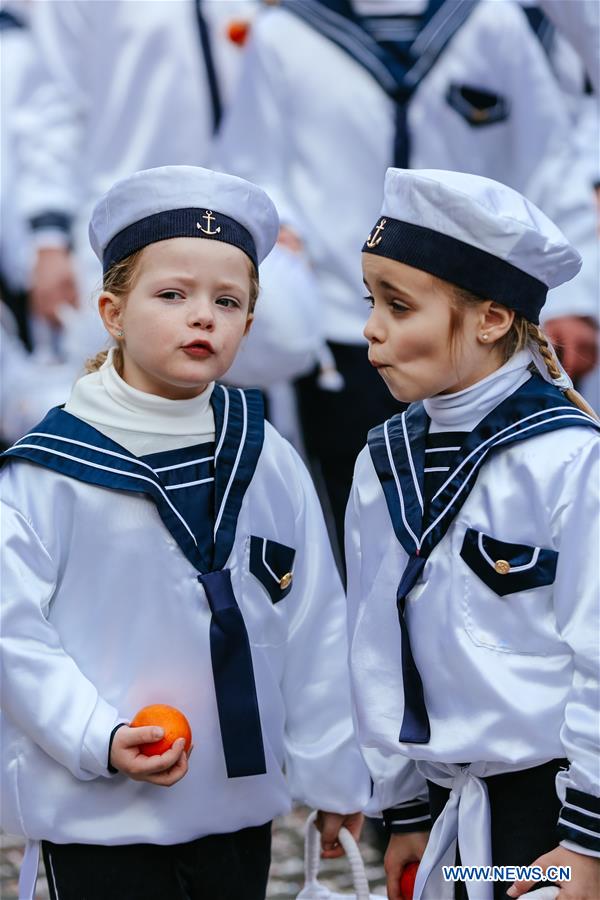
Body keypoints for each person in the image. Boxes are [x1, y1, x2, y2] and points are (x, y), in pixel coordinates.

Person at [0, 165, 369, 900]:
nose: (203, 316)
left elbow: (315, 624)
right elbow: (13, 633)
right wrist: (96, 736)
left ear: (249, 326)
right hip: (98, 816)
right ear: (111, 311)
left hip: (236, 816)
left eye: (226, 301)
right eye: (172, 295)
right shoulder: (47, 472)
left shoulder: (266, 455)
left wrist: (332, 775)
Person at [217, 0, 599, 556]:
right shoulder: (286, 33)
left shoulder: (488, 19)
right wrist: (282, 229)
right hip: (346, 325)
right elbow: (252, 164)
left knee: (504, 519)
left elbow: (548, 162)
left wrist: (575, 298)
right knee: (362, 521)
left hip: (478, 322)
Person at [344, 168, 600, 900]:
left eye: (398, 304)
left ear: (490, 319)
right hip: (452, 813)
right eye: (371, 301)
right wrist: (403, 810)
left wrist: (587, 843)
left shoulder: (570, 458)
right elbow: (372, 644)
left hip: (552, 818)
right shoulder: (382, 460)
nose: (371, 328)